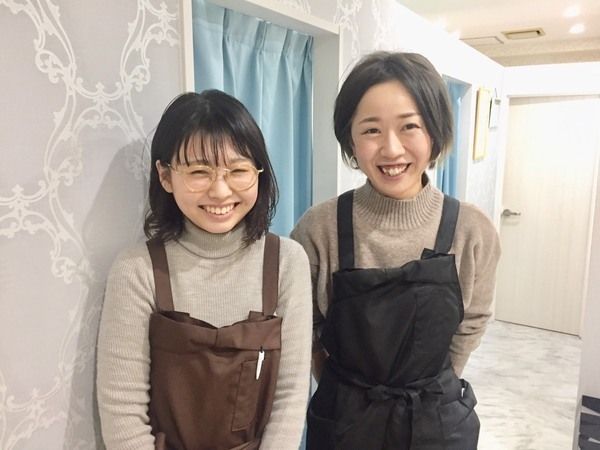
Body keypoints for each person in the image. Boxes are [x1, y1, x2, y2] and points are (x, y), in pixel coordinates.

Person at [290, 51, 501, 449]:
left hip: (436, 420)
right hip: (344, 421)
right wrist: (342, 389)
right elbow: (305, 327)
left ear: (434, 131)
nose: (391, 149)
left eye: (409, 126)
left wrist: (436, 383)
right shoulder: (319, 228)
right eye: (371, 130)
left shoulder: (472, 230)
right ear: (350, 139)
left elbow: (473, 319)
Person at [97, 90, 312, 450]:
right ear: (165, 176)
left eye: (238, 170)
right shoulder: (137, 270)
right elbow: (122, 412)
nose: (220, 191)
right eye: (199, 172)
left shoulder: (287, 261)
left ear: (259, 173)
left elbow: (289, 397)